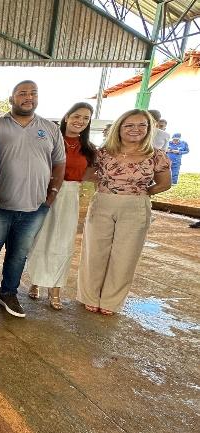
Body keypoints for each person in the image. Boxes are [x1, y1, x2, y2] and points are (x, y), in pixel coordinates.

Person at [0, 80, 65, 318]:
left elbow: (59, 163)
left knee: (18, 254)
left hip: (35, 206)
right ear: (11, 99)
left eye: (33, 93)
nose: (28, 97)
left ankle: (9, 293)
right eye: (22, 93)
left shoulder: (50, 128)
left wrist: (51, 196)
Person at [77, 109, 171, 315]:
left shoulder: (156, 155)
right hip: (103, 202)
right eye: (129, 125)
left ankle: (110, 301)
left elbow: (164, 183)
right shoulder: (103, 152)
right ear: (119, 128)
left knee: (125, 255)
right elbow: (87, 175)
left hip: (136, 206)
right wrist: (110, 184)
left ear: (149, 128)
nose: (135, 129)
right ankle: (89, 296)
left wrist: (141, 191)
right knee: (95, 251)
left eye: (141, 125)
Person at [26, 102, 96, 310]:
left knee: (63, 243)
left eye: (85, 118)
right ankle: (36, 281)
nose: (80, 121)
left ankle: (55, 289)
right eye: (76, 116)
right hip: (44, 191)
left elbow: (89, 173)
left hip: (69, 195)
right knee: (40, 238)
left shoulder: (89, 149)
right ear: (67, 117)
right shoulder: (51, 139)